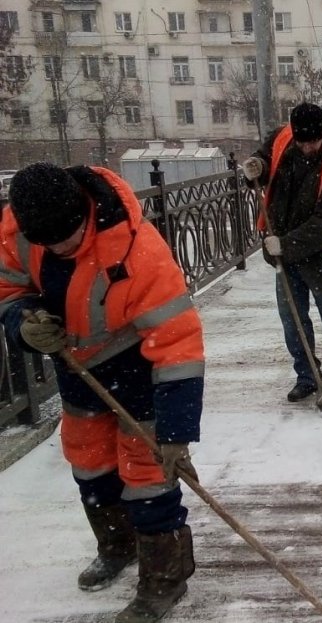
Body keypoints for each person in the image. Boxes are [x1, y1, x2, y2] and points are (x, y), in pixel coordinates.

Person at [0, 162, 204, 623]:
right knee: (90, 467)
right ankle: (117, 545)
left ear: (84, 212)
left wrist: (175, 432)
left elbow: (179, 344)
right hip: (79, 373)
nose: (58, 249)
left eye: (68, 238)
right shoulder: (20, 230)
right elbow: (10, 291)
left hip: (141, 374)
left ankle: (164, 579)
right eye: (47, 242)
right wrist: (26, 325)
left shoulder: (137, 249)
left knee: (148, 478)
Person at [242, 102, 322, 402]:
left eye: (314, 142)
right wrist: (256, 166)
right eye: (302, 141)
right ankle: (307, 375)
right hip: (285, 250)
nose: (308, 147)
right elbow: (265, 160)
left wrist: (285, 244)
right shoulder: (283, 137)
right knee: (292, 317)